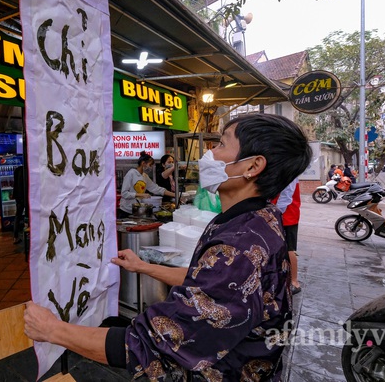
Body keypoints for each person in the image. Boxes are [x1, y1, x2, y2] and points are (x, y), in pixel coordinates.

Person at [24, 113, 312, 381]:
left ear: (252, 166)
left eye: (222, 145)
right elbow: (204, 280)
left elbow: (145, 344)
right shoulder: (258, 219)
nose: (208, 154)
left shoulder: (239, 247)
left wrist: (53, 330)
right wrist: (142, 266)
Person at [117, 151, 175, 219]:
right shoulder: (131, 173)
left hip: (138, 210)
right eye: (150, 165)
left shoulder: (145, 176)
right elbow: (124, 193)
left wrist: (175, 195)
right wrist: (141, 195)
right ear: (143, 163)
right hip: (126, 211)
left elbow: (156, 188)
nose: (150, 168)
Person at [273, 178, 301, 294]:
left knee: (290, 248)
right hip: (286, 214)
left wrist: (276, 212)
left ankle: (294, 282)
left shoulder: (289, 170)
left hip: (287, 215)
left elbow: (286, 196)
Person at [12, 165, 27, 244]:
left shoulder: (18, 170)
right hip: (27, 197)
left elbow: (15, 184)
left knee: (17, 216)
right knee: (30, 216)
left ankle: (15, 237)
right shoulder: (30, 170)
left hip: (19, 197)